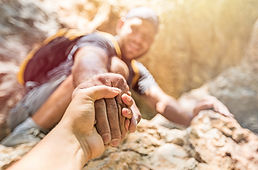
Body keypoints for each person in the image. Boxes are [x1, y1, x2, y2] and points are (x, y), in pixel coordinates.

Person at [1, 7, 231, 147]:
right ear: (121, 25)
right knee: (113, 71)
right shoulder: (99, 41)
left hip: (66, 110)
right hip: (28, 110)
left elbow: (161, 101)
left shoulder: (138, 71)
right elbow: (88, 62)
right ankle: (28, 132)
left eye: (147, 37)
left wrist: (194, 115)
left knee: (116, 71)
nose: (139, 40)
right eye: (135, 29)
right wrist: (95, 84)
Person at [8, 85, 123, 170]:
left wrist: (81, 141)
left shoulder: (138, 72)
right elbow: (89, 58)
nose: (136, 50)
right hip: (28, 127)